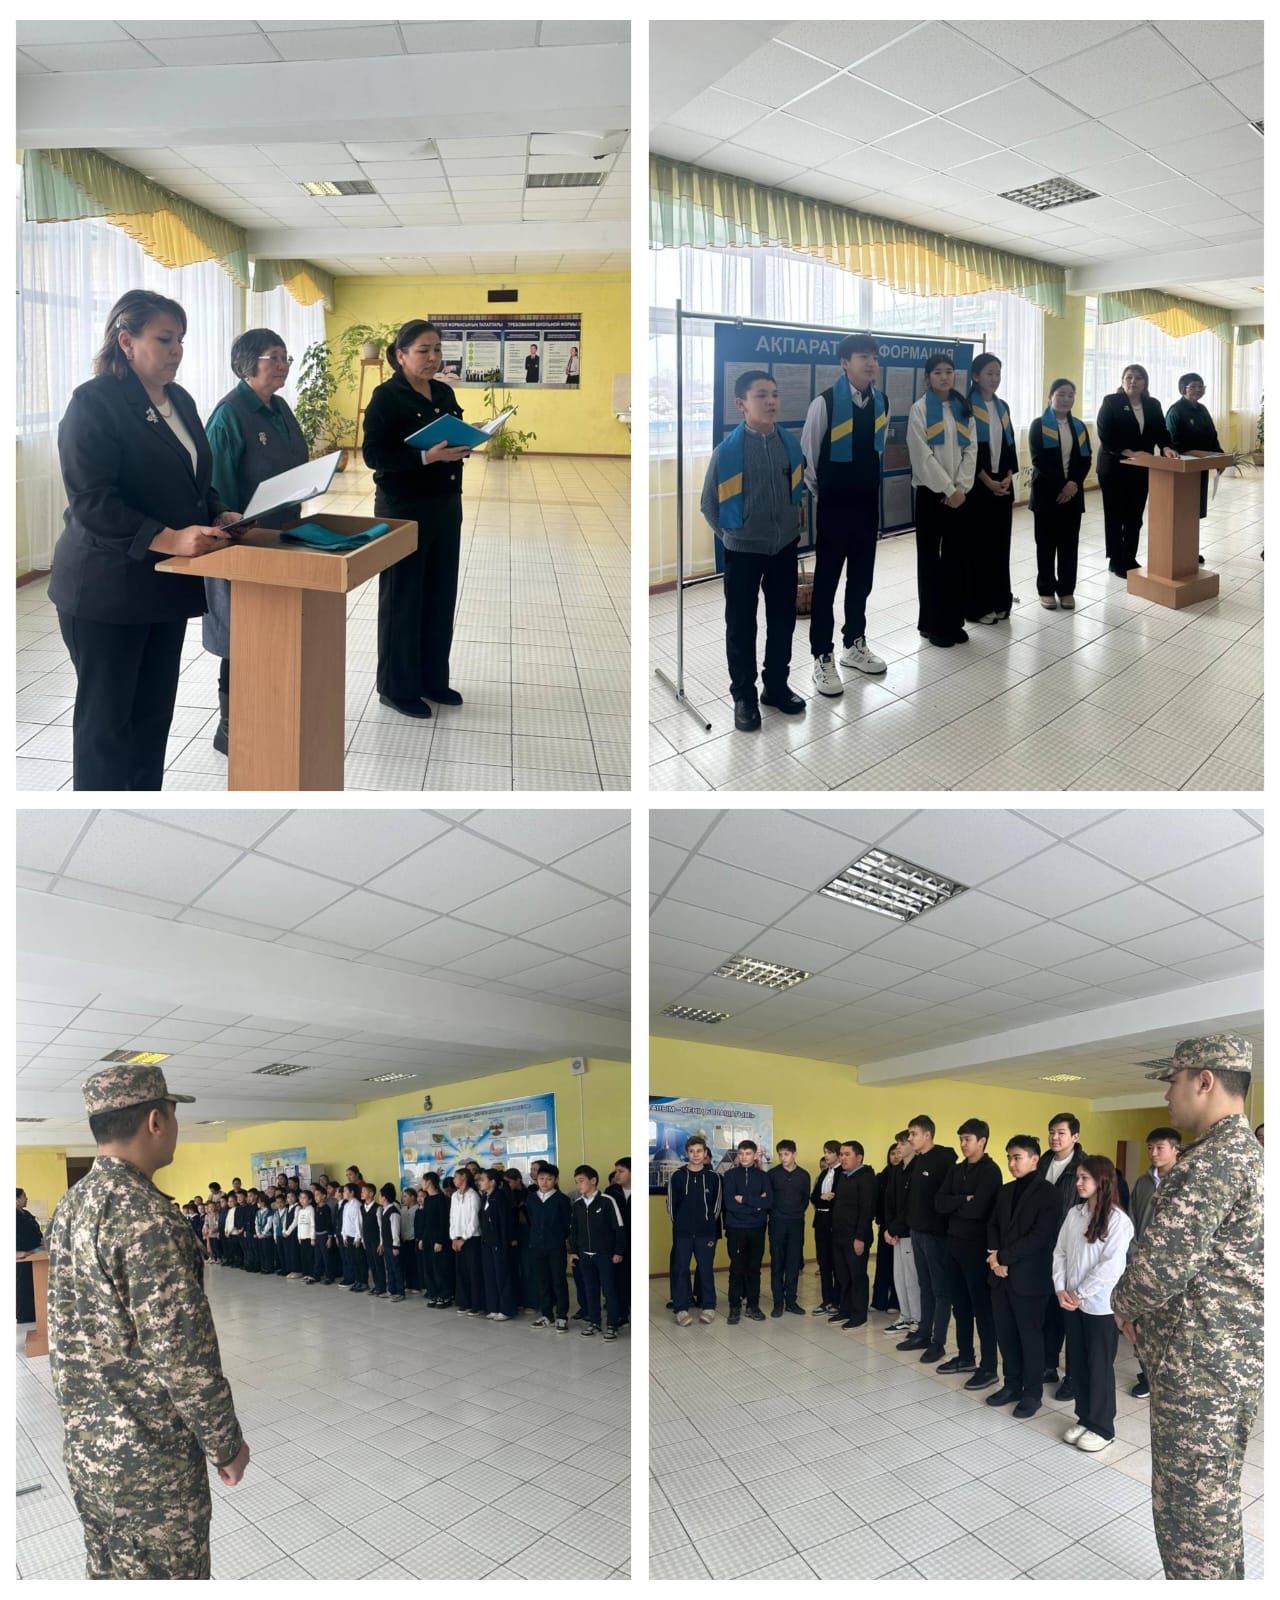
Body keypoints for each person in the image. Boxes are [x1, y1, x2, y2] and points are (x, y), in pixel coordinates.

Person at [46, 1063, 248, 1578]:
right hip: (149, 1463)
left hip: (90, 1450)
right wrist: (225, 1444)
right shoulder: (147, 1216)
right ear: (156, 1121)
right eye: (174, 1116)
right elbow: (182, 1356)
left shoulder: (72, 1205)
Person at [48, 290, 243, 790]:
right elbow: (92, 501)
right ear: (126, 341)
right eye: (164, 339)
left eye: (181, 340)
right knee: (108, 724)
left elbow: (193, 478)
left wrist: (217, 510)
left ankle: (143, 803)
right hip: (107, 587)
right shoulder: (94, 403)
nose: (176, 350)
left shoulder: (180, 400)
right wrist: (169, 537)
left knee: (153, 716)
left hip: (163, 586)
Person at [1112, 1036, 1263, 1581]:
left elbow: (1161, 1266)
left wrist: (1121, 1304)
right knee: (1214, 1499)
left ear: (1205, 1080)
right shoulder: (1250, 1155)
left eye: (1173, 1081)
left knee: (1190, 1514)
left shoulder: (1211, 1161)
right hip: (1228, 1360)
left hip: (1200, 1367)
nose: (1167, 1095)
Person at [202, 327, 308, 754]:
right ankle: (231, 730)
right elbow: (215, 489)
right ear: (247, 364)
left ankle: (265, 715)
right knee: (240, 638)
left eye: (285, 357)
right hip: (241, 545)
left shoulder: (279, 407)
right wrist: (232, 527)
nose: (282, 365)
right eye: (273, 357)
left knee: (271, 631)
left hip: (280, 536)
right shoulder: (229, 414)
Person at [361, 320, 471, 719]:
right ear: (400, 355)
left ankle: (431, 679)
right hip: (404, 507)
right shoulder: (387, 397)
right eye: (423, 350)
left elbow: (451, 438)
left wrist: (469, 437)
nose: (432, 358)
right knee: (404, 596)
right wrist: (425, 456)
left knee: (440, 593)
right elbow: (374, 454)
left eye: (437, 349)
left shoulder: (442, 392)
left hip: (445, 503)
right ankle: (396, 688)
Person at [700, 371, 806, 731]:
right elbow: (709, 505)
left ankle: (776, 686)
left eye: (774, 394)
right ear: (741, 404)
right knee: (741, 625)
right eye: (761, 395)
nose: (771, 401)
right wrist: (734, 537)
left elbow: (797, 496)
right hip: (743, 553)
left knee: (782, 620)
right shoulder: (727, 452)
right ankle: (744, 695)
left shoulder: (789, 445)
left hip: (783, 548)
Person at [801, 332, 890, 696]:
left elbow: (877, 451)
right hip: (835, 508)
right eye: (862, 356)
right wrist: (828, 496)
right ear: (844, 362)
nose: (871, 363)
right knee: (826, 584)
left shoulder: (881, 401)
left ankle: (854, 643)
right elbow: (809, 459)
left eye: (874, 357)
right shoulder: (824, 403)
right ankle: (822, 654)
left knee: (861, 580)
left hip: (866, 506)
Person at [1052, 1155, 1133, 1452]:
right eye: (1078, 1177)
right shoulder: (1074, 1213)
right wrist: (1061, 1288)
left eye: (1085, 1177)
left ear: (1102, 1181)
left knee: (1099, 1366)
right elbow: (1060, 1252)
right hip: (1071, 1302)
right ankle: (1084, 1417)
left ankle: (1103, 1427)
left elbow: (1111, 1267)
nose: (1079, 1183)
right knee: (1077, 1363)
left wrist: (1080, 1293)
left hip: (1100, 1306)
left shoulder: (1118, 1221)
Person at [985, 1134, 1061, 1419]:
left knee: (1030, 1338)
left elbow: (1040, 1236)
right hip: (1000, 1276)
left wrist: (1004, 1257)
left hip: (1030, 1278)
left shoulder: (1049, 1193)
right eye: (1009, 1157)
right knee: (1005, 1335)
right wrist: (995, 1258)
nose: (1011, 1163)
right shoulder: (1005, 1191)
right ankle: (1011, 1385)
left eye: (1017, 1157)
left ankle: (1032, 1393)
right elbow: (992, 1225)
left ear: (1034, 1159)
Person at [907, 353, 976, 648]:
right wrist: (949, 489)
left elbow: (971, 450)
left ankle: (953, 620)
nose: (944, 377)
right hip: (932, 494)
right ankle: (932, 623)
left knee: (956, 558)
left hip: (960, 496)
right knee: (930, 560)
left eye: (949, 371)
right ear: (927, 377)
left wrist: (961, 488)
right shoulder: (920, 409)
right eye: (937, 372)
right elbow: (921, 455)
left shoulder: (963, 408)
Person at [934, 1118, 1002, 1389]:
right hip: (954, 1244)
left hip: (976, 1247)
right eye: (961, 1139)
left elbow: (978, 1210)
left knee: (982, 1308)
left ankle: (989, 1367)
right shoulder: (957, 1169)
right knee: (960, 1305)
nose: (962, 1144)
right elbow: (939, 1203)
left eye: (967, 1139)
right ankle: (965, 1357)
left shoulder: (991, 1171)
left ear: (982, 1141)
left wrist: (956, 1204)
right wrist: (963, 1199)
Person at [1095, 363, 1173, 576]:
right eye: (1129, 377)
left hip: (1142, 467)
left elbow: (1161, 431)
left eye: (1138, 377)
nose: (1133, 381)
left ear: (1145, 382)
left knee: (1135, 516)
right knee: (1115, 515)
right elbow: (1105, 434)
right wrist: (1129, 452)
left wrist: (1166, 447)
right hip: (1114, 466)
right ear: (1122, 381)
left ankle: (1129, 557)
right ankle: (1115, 559)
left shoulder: (1153, 404)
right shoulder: (1111, 402)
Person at [1125, 1127, 1182, 1398]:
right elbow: (1132, 1220)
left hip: (1171, 1268)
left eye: (1160, 1147)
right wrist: (1134, 1254)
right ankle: (1147, 1376)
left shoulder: (1185, 1181)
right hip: (1141, 1262)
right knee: (1142, 1324)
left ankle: (1167, 1379)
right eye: (1150, 1147)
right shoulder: (1143, 1182)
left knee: (1170, 1327)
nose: (1153, 1153)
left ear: (1175, 1150)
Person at [1027, 378, 1091, 609]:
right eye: (1061, 394)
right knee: (1045, 545)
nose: (1066, 399)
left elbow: (1086, 459)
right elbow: (1039, 461)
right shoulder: (1039, 425)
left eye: (1070, 395)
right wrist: (1062, 486)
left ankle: (1066, 590)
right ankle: (1046, 589)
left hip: (1072, 495)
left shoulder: (1079, 426)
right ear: (1050, 397)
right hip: (1047, 495)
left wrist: (1073, 485)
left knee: (1069, 545)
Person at [897, 1115, 956, 1361]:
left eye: (913, 1134)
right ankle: (923, 1332)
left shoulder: (943, 1159)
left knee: (940, 1290)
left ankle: (938, 1342)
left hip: (935, 1235)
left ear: (927, 1135)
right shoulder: (918, 1160)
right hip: (917, 1232)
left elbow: (947, 1197)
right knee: (925, 1286)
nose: (910, 1138)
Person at [966, 353, 1017, 624]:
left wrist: (1008, 475)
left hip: (1002, 483)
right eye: (989, 373)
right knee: (978, 547)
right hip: (977, 486)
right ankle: (978, 606)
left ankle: (1000, 600)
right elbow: (967, 449)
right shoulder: (966, 406)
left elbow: (1009, 444)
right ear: (975, 376)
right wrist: (987, 481)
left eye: (998, 373)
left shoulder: (1002, 406)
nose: (995, 378)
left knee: (1000, 545)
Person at [1039, 1113, 1087, 1400]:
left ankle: (1073, 1377)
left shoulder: (1084, 1167)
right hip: (1042, 1249)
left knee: (1071, 1316)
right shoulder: (1042, 1162)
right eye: (1051, 1132)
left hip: (1071, 1253)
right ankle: (1048, 1366)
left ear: (1074, 1137)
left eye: (1061, 1132)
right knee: (1048, 1312)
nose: (1055, 1137)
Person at [1165, 372, 1224, 561]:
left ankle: (1190, 550)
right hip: (1183, 469)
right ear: (1183, 389)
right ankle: (1177, 551)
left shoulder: (1202, 409)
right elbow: (1172, 441)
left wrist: (1220, 457)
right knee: (1181, 511)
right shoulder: (1176, 410)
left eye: (1201, 386)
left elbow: (1212, 436)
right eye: (1193, 386)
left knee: (1194, 511)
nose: (1198, 390)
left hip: (1200, 467)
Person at [667, 1136, 722, 1326]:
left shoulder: (713, 1177)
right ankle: (681, 1308)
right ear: (686, 1153)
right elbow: (671, 1206)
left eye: (699, 1151)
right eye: (692, 1151)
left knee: (705, 1269)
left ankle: (709, 1306)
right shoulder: (678, 1176)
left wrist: (707, 1224)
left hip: (705, 1233)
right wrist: (680, 1225)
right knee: (681, 1269)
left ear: (705, 1153)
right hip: (682, 1233)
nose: (696, 1155)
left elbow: (717, 1206)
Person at [569, 1165, 626, 1340]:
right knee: (590, 1289)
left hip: (605, 1255)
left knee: (609, 1290)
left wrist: (618, 1251)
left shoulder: (607, 1201)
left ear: (593, 1180)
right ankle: (594, 1323)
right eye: (576, 1182)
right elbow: (573, 1230)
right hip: (585, 1255)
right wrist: (573, 1251)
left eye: (581, 1181)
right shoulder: (578, 1204)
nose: (579, 1185)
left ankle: (612, 1325)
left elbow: (619, 1228)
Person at [722, 1139, 772, 1324]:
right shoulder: (730, 1176)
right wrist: (756, 1206)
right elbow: (730, 1204)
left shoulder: (763, 1176)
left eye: (748, 1153)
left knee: (754, 1268)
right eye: (741, 1153)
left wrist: (744, 1199)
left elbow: (768, 1202)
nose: (744, 1157)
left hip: (757, 1228)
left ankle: (753, 1306)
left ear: (754, 1155)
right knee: (736, 1268)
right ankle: (734, 1307)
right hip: (736, 1228)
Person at [829, 1140, 877, 1329]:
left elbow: (867, 1210)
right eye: (841, 1154)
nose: (843, 1158)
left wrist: (860, 1237)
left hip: (855, 1236)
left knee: (857, 1276)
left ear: (859, 1157)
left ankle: (859, 1314)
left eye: (847, 1154)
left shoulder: (866, 1178)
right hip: (839, 1235)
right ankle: (845, 1309)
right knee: (843, 1275)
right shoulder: (843, 1176)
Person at [882, 1130, 920, 1337]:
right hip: (895, 1232)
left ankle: (917, 1318)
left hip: (909, 1232)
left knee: (912, 1279)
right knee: (899, 1277)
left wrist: (895, 1228)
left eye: (902, 1143)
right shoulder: (897, 1170)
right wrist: (889, 1228)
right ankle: (904, 1316)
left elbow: (911, 1205)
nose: (898, 1147)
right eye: (897, 1143)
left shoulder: (917, 1169)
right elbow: (889, 1201)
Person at [527, 1162, 572, 1331]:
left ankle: (562, 1316)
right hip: (537, 1246)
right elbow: (531, 1219)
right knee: (542, 1282)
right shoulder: (532, 1198)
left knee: (558, 1282)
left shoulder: (562, 1199)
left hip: (555, 1247)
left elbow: (566, 1224)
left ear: (556, 1180)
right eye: (541, 1178)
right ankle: (547, 1315)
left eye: (549, 1179)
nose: (544, 1182)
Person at [766, 1139, 809, 1315]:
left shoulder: (803, 1175)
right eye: (780, 1154)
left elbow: (805, 1200)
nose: (783, 1158)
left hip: (796, 1223)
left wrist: (795, 1213)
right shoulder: (772, 1174)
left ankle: (791, 1301)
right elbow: (768, 1199)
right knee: (777, 1263)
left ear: (794, 1154)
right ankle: (778, 1302)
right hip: (777, 1222)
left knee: (793, 1263)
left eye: (786, 1154)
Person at [477, 1169, 517, 1320]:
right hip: (487, 1242)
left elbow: (505, 1224)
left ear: (492, 1182)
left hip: (499, 1243)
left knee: (502, 1276)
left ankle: (506, 1309)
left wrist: (504, 1243)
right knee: (490, 1276)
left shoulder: (500, 1198)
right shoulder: (485, 1197)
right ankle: (493, 1307)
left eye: (483, 1179)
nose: (480, 1182)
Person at [809, 1140, 842, 1314]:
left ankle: (837, 1300)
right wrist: (823, 1198)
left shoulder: (842, 1173)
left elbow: (837, 1199)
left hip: (834, 1221)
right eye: (825, 1152)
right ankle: (826, 1300)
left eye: (830, 1152)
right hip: (820, 1220)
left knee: (837, 1263)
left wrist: (824, 1199)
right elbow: (814, 1197)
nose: (826, 1156)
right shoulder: (824, 1174)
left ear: (837, 1154)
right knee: (824, 1262)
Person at [870, 1142, 900, 1315]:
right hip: (884, 1226)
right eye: (892, 1153)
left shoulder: (906, 1174)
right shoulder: (882, 1176)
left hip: (901, 1229)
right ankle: (879, 1301)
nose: (895, 1156)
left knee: (898, 1268)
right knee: (883, 1264)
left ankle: (895, 1301)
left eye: (898, 1153)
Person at [449, 1169, 484, 1315]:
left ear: (464, 1177)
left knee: (473, 1272)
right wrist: (453, 1237)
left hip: (471, 1239)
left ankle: (476, 1305)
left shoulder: (473, 1195)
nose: (454, 1180)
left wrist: (464, 1238)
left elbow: (474, 1220)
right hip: (457, 1238)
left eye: (456, 1177)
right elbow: (452, 1217)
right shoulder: (454, 1196)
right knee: (461, 1272)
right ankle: (464, 1303)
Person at [417, 1174, 454, 1307]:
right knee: (429, 1268)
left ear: (429, 1182)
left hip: (438, 1239)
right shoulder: (427, 1200)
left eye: (423, 1181)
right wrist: (422, 1238)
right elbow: (426, 1221)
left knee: (440, 1268)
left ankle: (445, 1295)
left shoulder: (442, 1199)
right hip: (427, 1238)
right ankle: (433, 1293)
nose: (422, 1183)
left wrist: (440, 1240)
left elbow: (444, 1222)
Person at [605, 1159, 632, 1326]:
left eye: (621, 1171)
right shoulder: (611, 1192)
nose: (617, 1175)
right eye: (616, 1171)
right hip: (616, 1244)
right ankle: (622, 1314)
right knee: (619, 1280)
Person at [16, 1189, 43, 1323]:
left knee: (34, 1284)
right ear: (16, 1199)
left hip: (34, 1253)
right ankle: (24, 1316)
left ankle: (36, 1313)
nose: (27, 1198)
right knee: (23, 1285)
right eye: (24, 1196)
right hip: (21, 1257)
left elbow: (35, 1230)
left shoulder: (26, 1214)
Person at [377, 1183, 405, 1302]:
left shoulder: (393, 1212)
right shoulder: (383, 1210)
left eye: (380, 1195)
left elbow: (395, 1231)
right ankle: (391, 1290)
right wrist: (382, 1244)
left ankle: (400, 1292)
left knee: (396, 1268)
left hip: (393, 1246)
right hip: (387, 1245)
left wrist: (395, 1246)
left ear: (384, 1197)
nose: (379, 1198)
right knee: (389, 1268)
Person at [361, 1183, 385, 1297]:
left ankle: (382, 1287)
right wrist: (363, 1240)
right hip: (367, 1240)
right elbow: (361, 1225)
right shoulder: (362, 1207)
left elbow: (381, 1227)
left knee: (378, 1263)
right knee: (372, 1264)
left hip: (376, 1241)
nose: (361, 1193)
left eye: (364, 1191)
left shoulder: (378, 1208)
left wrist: (381, 1243)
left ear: (371, 1193)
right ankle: (376, 1285)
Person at [341, 1182, 366, 1291]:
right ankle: (357, 1280)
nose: (343, 1193)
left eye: (345, 1191)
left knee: (359, 1260)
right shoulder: (346, 1205)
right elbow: (344, 1222)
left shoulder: (357, 1205)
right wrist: (344, 1236)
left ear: (352, 1192)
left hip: (356, 1238)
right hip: (348, 1237)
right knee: (353, 1260)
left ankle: (363, 1282)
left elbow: (358, 1223)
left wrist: (357, 1237)